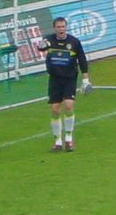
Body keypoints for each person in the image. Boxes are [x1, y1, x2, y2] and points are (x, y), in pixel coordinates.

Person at [37, 17, 91, 153]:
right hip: (55, 79)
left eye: (63, 26)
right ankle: (57, 141)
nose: (61, 29)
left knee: (68, 105)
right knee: (55, 109)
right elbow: (40, 47)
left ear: (66, 27)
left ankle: (68, 138)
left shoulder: (74, 42)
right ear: (54, 28)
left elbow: (82, 60)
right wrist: (41, 46)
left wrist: (85, 79)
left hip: (69, 79)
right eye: (58, 27)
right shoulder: (49, 40)